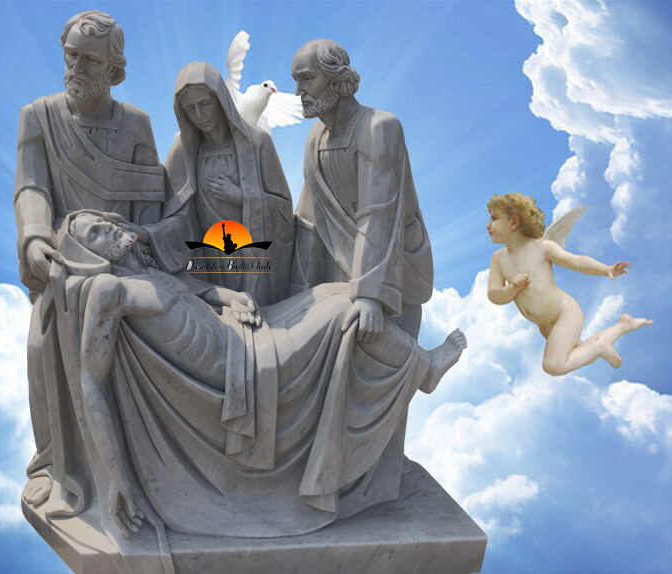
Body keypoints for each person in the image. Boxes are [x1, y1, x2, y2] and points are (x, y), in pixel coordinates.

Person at [52, 210, 466, 542]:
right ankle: (424, 370)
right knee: (345, 313)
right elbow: (91, 380)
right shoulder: (110, 290)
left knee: (334, 293)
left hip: (243, 333)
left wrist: (232, 297)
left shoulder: (147, 272)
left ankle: (414, 365)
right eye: (93, 234)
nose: (106, 227)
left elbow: (195, 292)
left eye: (101, 221)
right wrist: (115, 477)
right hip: (241, 370)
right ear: (88, 256)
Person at [15, 11, 186, 512]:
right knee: (41, 344)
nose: (76, 67)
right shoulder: (38, 116)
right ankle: (54, 464)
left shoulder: (136, 123)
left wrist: (142, 247)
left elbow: (150, 199)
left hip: (125, 260)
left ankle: (151, 468)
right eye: (71, 55)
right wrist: (34, 238)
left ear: (114, 69)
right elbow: (32, 187)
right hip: (65, 260)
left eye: (90, 60)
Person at [289, 40, 433, 340]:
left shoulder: (378, 128)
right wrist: (296, 293)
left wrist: (370, 295)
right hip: (337, 262)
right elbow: (309, 219)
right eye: (296, 81)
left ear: (336, 79)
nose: (299, 91)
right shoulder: (316, 137)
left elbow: (378, 214)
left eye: (308, 79)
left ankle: (428, 362)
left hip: (391, 266)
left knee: (382, 347)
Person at [164, 62, 294, 306]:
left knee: (253, 314)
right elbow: (173, 211)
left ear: (220, 99)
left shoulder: (257, 142)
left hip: (252, 260)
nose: (200, 115)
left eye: (205, 104)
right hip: (208, 260)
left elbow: (283, 208)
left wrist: (241, 196)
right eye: (190, 108)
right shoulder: (183, 153)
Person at [486, 193, 651, 375]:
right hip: (545, 323)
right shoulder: (498, 259)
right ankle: (623, 326)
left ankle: (599, 346)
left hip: (564, 314)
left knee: (554, 365)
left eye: (494, 218)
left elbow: (576, 261)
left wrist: (607, 270)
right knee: (580, 354)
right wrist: (512, 289)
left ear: (514, 222)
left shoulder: (542, 248)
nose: (488, 224)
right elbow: (494, 295)